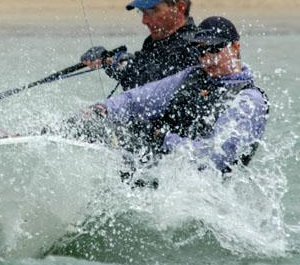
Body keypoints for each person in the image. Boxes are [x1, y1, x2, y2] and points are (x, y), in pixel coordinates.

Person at [67, 17, 268, 174]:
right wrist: (103, 109)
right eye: (202, 51)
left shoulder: (249, 100)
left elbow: (213, 159)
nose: (207, 58)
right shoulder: (192, 75)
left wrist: (162, 139)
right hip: (164, 169)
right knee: (98, 125)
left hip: (203, 190)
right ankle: (57, 133)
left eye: (215, 49)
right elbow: (137, 100)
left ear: (235, 47)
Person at [81, 0, 198, 89]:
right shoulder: (154, 42)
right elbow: (140, 76)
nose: (144, 20)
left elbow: (152, 83)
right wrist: (106, 59)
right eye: (143, 12)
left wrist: (122, 64)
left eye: (153, 11)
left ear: (180, 7)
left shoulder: (195, 47)